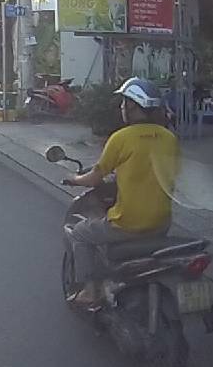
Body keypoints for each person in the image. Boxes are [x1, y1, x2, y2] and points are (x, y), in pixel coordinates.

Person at [63, 77, 178, 306]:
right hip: (161, 223)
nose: (122, 107)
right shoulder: (169, 138)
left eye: (124, 102)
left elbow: (94, 178)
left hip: (128, 224)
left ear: (134, 107)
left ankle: (90, 291)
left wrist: (74, 180)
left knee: (79, 233)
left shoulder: (121, 138)